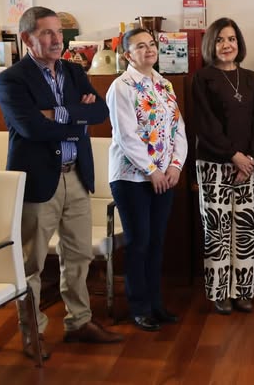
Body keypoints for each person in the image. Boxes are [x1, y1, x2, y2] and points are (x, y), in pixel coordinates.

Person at [0, 6, 123, 360]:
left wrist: (58, 113)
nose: (57, 40)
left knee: (79, 257)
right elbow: (31, 128)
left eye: (59, 33)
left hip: (77, 178)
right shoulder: (12, 79)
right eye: (48, 33)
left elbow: (99, 112)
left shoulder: (73, 70)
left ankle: (79, 322)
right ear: (27, 39)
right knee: (32, 263)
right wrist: (75, 116)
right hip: (39, 183)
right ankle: (32, 333)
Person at [107, 28, 188, 332]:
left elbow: (178, 129)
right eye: (140, 46)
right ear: (128, 54)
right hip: (131, 179)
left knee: (156, 243)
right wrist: (152, 170)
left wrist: (176, 166)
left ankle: (156, 304)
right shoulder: (121, 86)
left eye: (151, 44)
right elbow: (126, 136)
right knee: (139, 242)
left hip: (165, 176)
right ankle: (138, 307)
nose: (149, 49)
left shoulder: (164, 83)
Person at [192, 18, 254, 315]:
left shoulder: (249, 77)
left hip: (246, 168)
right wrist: (232, 155)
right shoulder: (203, 78)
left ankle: (243, 290)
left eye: (232, 39)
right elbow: (206, 125)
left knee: (245, 231)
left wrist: (249, 159)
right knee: (218, 230)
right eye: (221, 40)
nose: (227, 45)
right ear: (211, 44)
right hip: (214, 166)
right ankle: (220, 292)